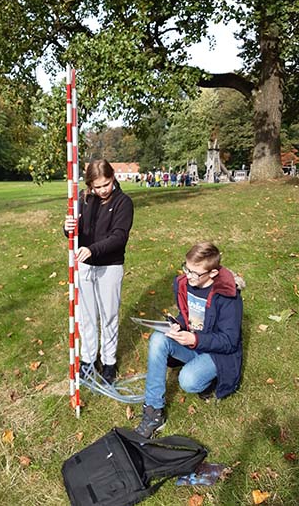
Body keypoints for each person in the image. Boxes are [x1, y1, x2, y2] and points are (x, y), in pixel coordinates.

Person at [135, 242, 244, 438]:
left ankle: (211, 379)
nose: (189, 276)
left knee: (188, 380)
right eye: (187, 269)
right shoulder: (184, 284)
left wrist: (194, 338)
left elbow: (230, 340)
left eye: (196, 273)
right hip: (194, 342)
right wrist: (178, 324)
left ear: (212, 274)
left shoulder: (228, 297)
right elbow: (188, 315)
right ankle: (153, 410)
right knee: (159, 339)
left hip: (218, 353)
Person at [64, 159, 134, 384]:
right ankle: (87, 358)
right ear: (90, 185)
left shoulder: (124, 202)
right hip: (84, 266)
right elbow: (75, 234)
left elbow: (119, 236)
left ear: (113, 178)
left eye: (107, 184)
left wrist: (92, 250)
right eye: (98, 186)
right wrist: (67, 229)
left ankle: (109, 361)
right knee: (86, 316)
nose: (103, 190)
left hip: (110, 266)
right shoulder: (83, 200)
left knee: (109, 315)